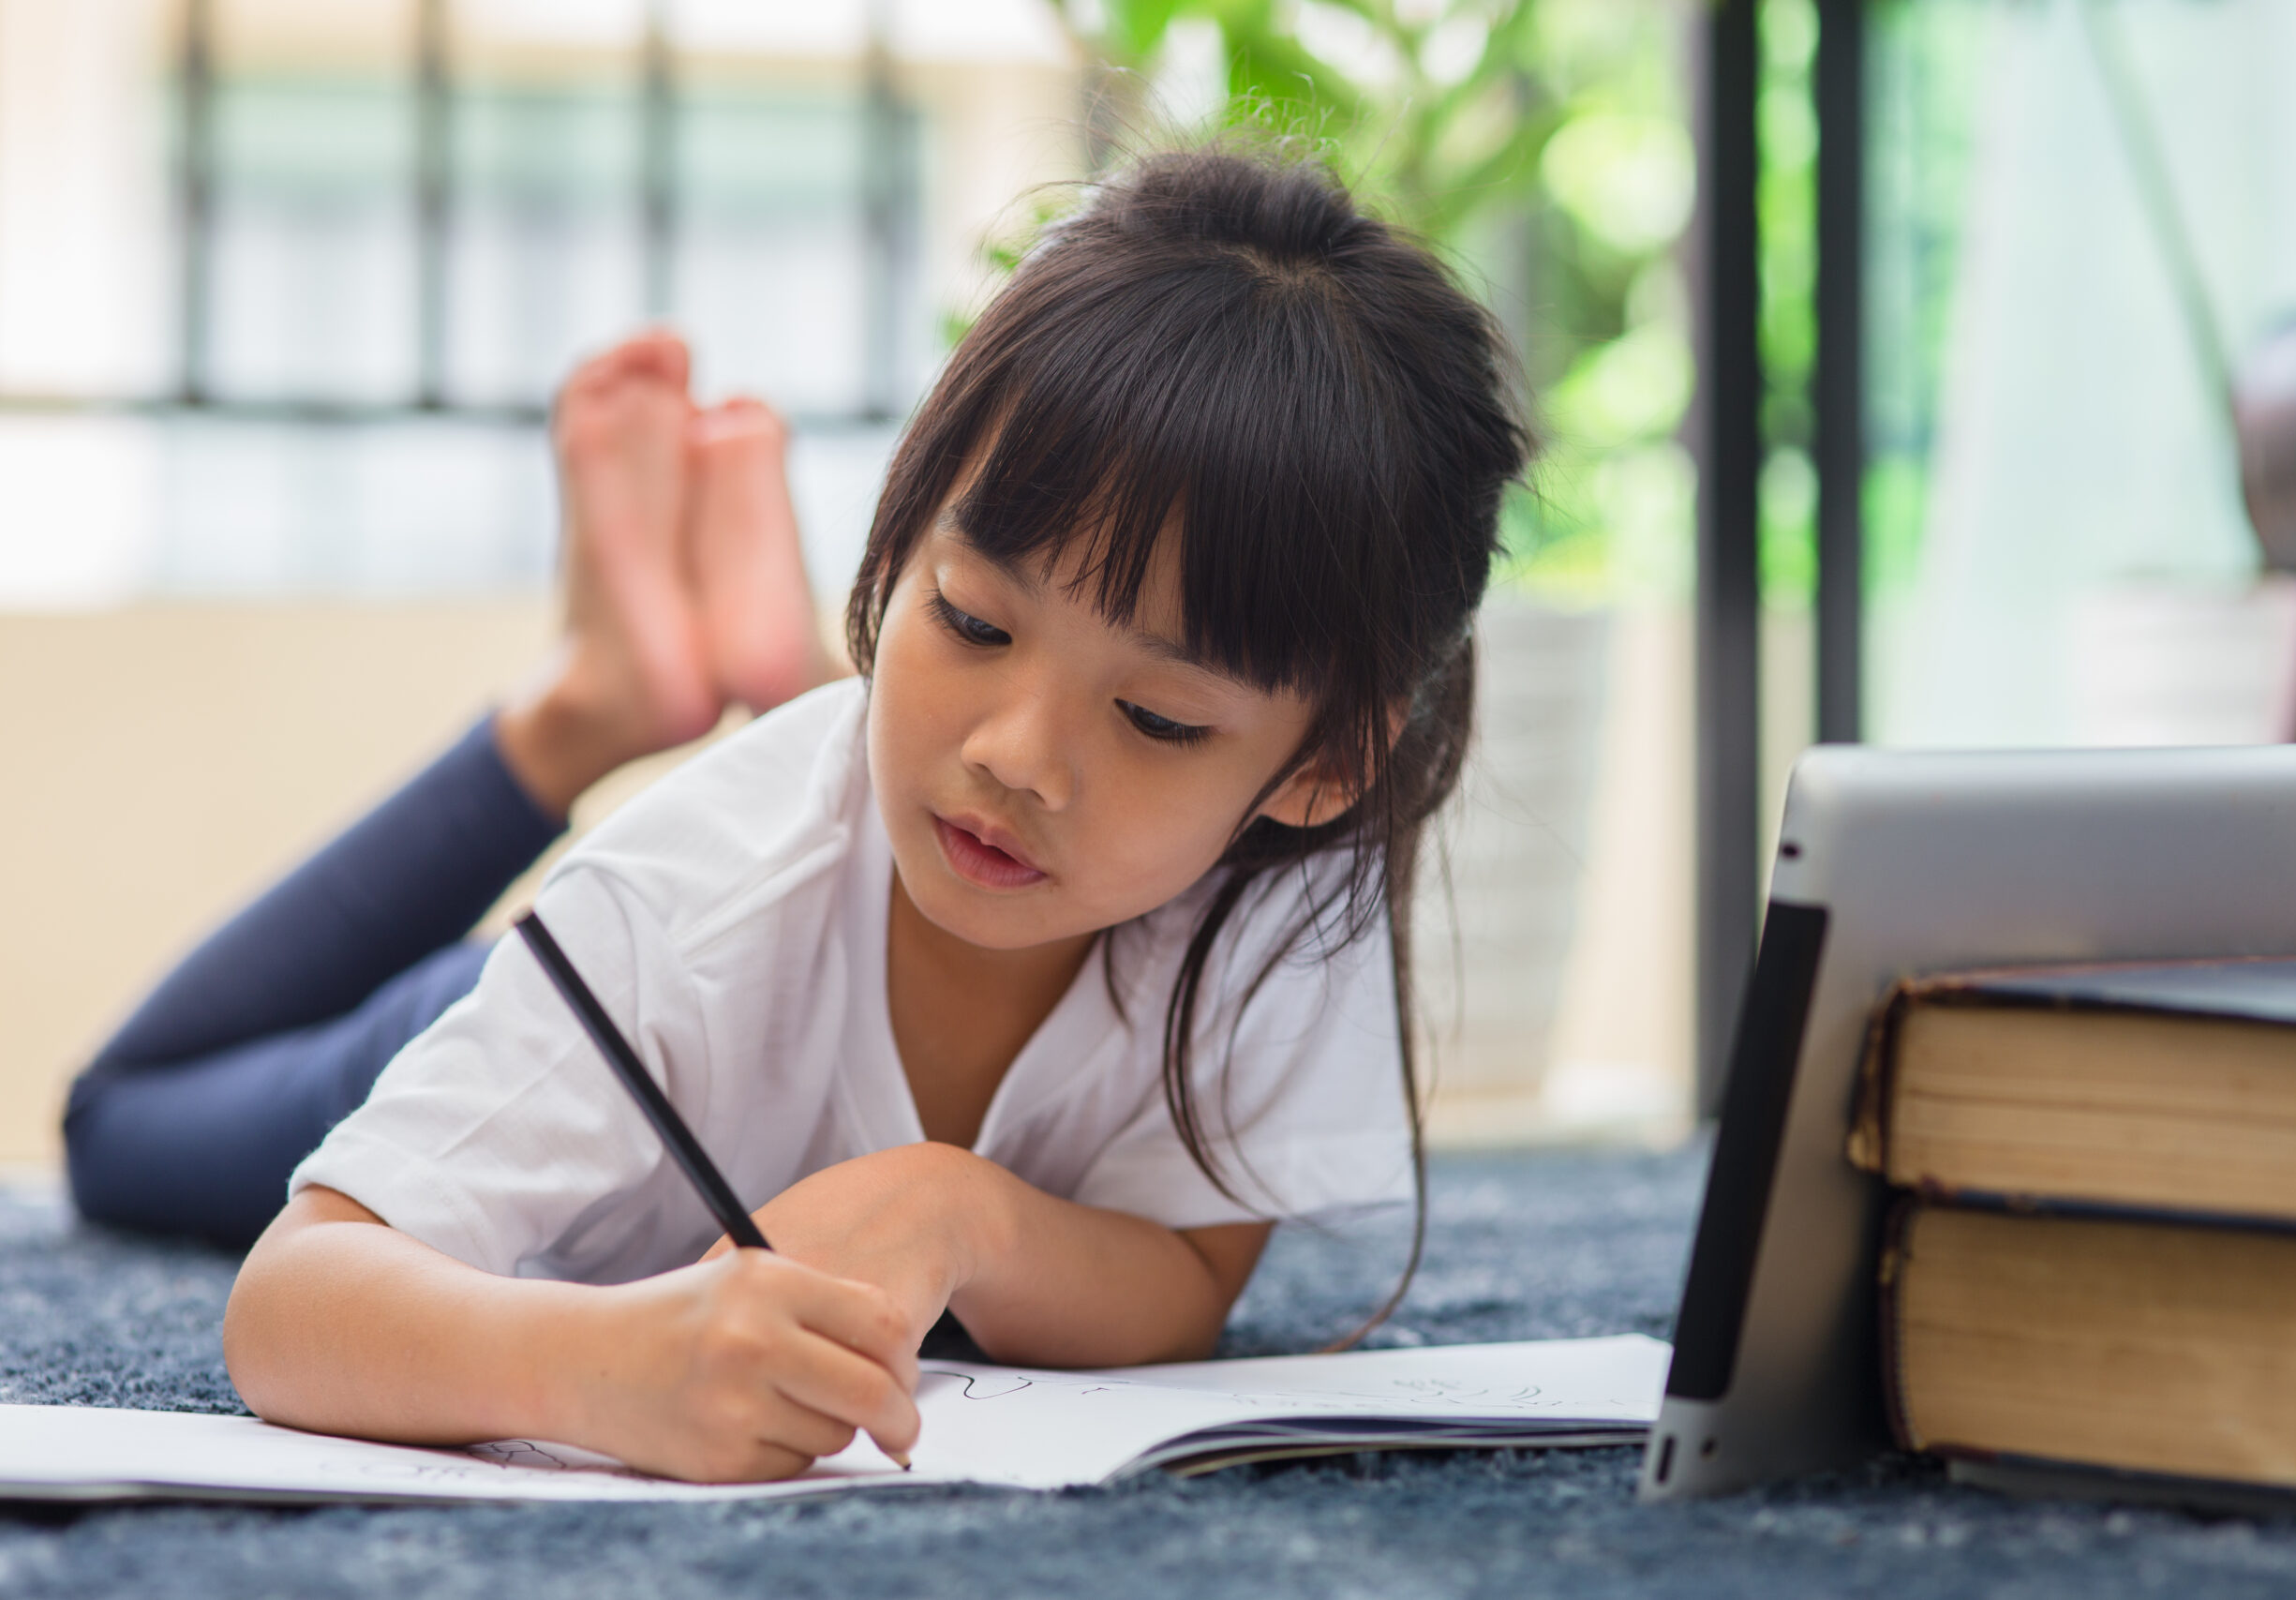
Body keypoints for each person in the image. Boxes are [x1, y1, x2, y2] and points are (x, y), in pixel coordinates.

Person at [217, 147, 1531, 1485]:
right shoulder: (677, 915)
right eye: (971, 620)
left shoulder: (1281, 891)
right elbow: (288, 1303)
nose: (1020, 757)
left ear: (1316, 771)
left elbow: (1189, 1269)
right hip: (528, 999)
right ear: (898, 534)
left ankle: (759, 669)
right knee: (118, 1119)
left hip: (797, 890)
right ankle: (592, 702)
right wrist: (600, 1363)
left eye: (1156, 718)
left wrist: (959, 1209)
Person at [61, 330, 835, 1250]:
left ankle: (654, 711)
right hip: (617, 1013)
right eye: (975, 626)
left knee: (114, 1116)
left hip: (572, 1015)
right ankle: (815, 725)